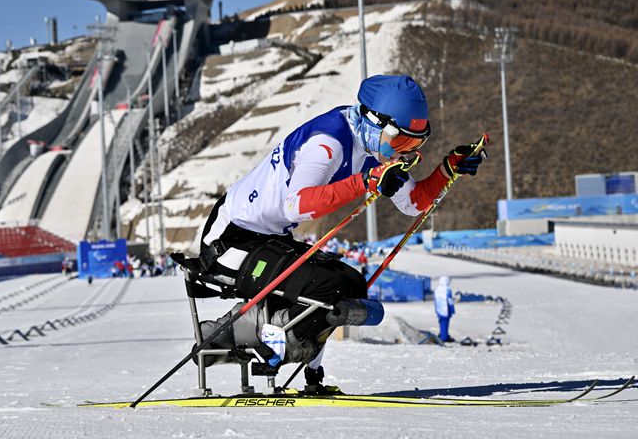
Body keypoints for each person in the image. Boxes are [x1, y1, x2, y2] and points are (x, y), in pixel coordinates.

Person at [178, 74, 486, 392]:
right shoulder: (328, 143)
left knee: (352, 284)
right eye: (401, 142)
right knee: (329, 287)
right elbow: (295, 206)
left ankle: (298, 363)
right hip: (229, 242)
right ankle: (229, 337)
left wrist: (447, 169)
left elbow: (412, 203)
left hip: (268, 239)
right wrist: (366, 181)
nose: (402, 154)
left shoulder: (371, 145)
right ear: (375, 121)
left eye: (414, 145)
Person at [434, 275, 456, 342]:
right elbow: (450, 301)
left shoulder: (437, 289)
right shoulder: (447, 289)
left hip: (439, 309)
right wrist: (452, 309)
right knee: (445, 323)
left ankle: (443, 334)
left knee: (441, 322)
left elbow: (435, 301)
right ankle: (444, 337)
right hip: (446, 310)